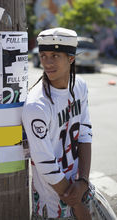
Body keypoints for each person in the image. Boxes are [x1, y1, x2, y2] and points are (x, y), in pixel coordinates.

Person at [22, 27, 93, 220]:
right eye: (43, 55)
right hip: (52, 206)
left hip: (79, 188)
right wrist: (77, 205)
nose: (47, 62)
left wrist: (83, 182)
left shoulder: (80, 86)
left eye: (55, 55)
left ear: (71, 58)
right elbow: (45, 163)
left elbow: (85, 134)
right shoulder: (37, 105)